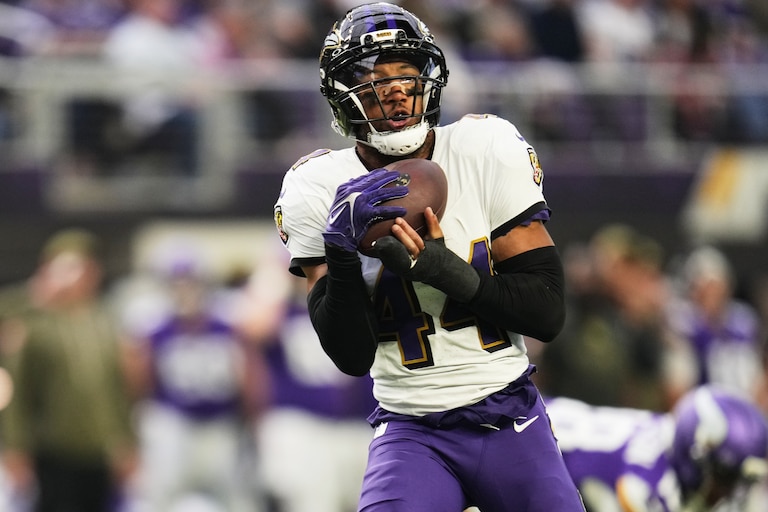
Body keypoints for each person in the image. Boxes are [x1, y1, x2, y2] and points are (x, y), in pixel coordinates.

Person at [272, 3, 584, 511]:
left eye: (406, 71)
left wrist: (444, 271)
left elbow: (546, 313)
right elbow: (350, 356)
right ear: (341, 95)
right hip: (411, 428)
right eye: (374, 75)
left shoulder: (485, 148)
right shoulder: (316, 185)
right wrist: (342, 249)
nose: (394, 87)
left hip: (509, 415)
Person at [0, 228, 138, 512]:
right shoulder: (34, 322)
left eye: (85, 267)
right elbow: (18, 395)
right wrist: (15, 447)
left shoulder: (104, 321)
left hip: (98, 450)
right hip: (53, 450)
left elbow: (115, 389)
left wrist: (127, 440)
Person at [545, 386, 768, 512]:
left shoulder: (667, 435)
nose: (729, 492)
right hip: (527, 443)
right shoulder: (647, 488)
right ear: (695, 454)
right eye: (725, 479)